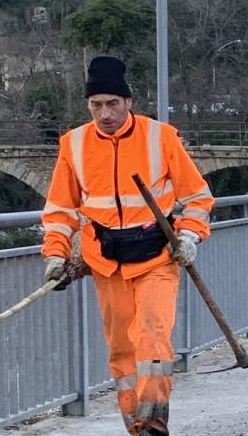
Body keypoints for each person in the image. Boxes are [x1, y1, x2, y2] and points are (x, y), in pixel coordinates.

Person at [36, 56, 216, 436]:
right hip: (106, 261)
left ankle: (153, 422)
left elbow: (198, 197)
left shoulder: (160, 137)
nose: (105, 113)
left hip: (156, 257)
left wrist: (188, 235)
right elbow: (60, 210)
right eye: (96, 105)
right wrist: (55, 254)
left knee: (151, 335)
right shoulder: (74, 145)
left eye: (112, 104)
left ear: (128, 102)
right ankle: (135, 426)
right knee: (122, 353)